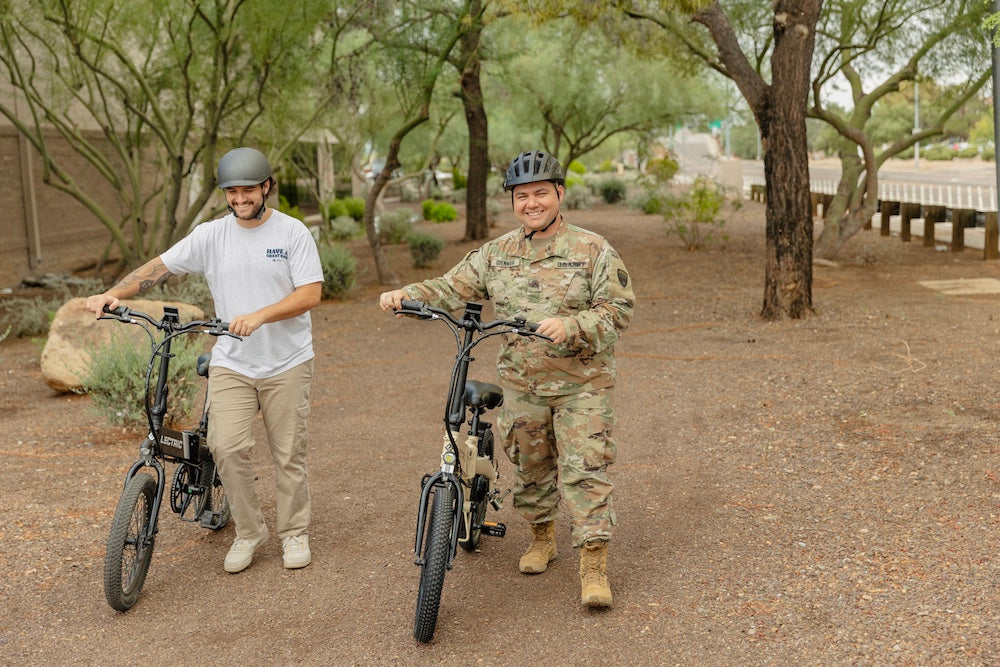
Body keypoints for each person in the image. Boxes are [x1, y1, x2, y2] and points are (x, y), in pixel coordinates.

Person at [379, 150, 634, 607]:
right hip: (523, 386)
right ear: (513, 202)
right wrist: (407, 294)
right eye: (522, 196)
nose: (531, 203)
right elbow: (449, 286)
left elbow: (619, 311)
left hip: (583, 386)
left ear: (559, 194)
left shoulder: (593, 249)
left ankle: (593, 564)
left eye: (540, 193)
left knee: (585, 470)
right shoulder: (496, 255)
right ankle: (542, 539)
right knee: (531, 469)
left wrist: (572, 325)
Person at [86, 147, 324, 574]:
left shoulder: (292, 234)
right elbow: (159, 267)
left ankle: (294, 533)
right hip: (232, 361)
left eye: (248, 190)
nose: (240, 199)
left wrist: (260, 315)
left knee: (288, 454)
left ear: (267, 187)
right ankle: (250, 532)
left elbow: (310, 294)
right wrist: (114, 293)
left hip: (286, 361)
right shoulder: (211, 235)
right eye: (232, 192)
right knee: (226, 446)